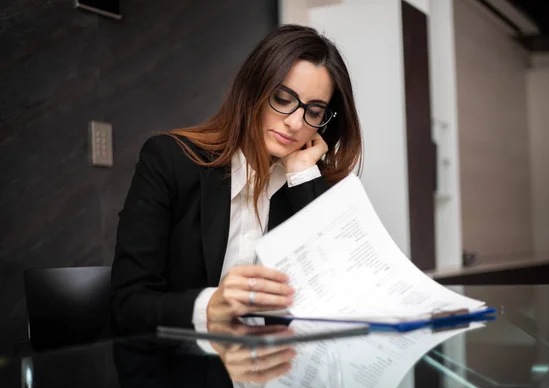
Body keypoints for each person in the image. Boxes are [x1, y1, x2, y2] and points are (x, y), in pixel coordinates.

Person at [111, 24, 363, 335]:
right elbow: (129, 303)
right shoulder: (170, 160)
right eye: (283, 99)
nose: (296, 123)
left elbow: (333, 303)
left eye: (314, 111)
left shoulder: (308, 183)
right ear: (253, 89)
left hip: (279, 372)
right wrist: (210, 306)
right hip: (188, 371)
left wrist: (302, 175)